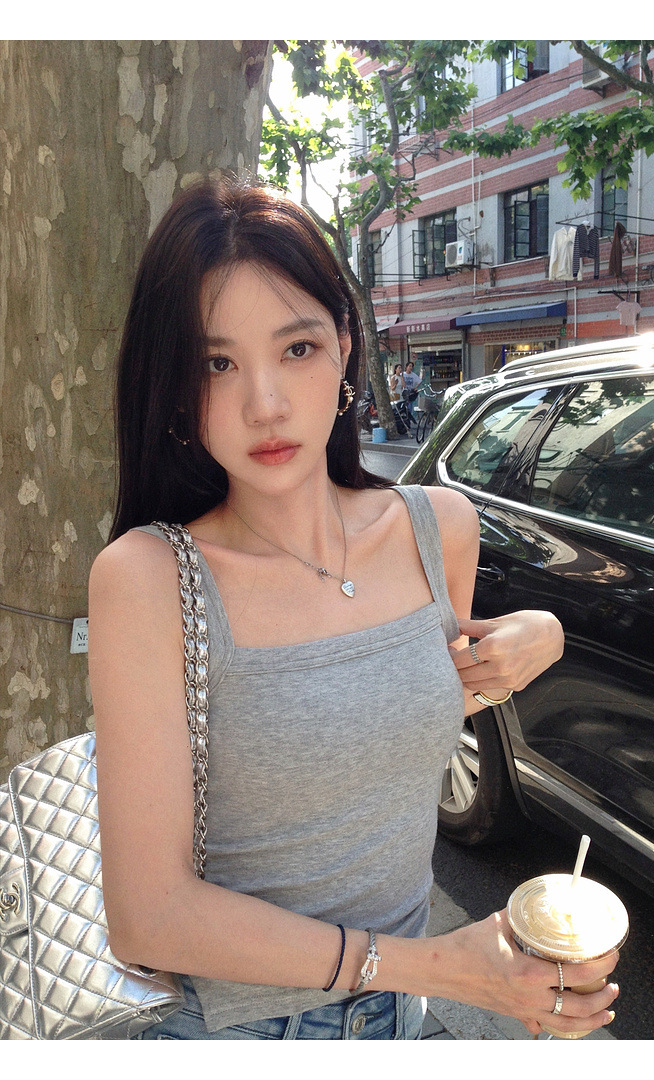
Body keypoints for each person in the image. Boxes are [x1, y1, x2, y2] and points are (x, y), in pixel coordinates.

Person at [88, 173, 619, 1041]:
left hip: (403, 1019)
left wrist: (539, 639)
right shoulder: (149, 579)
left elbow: (380, 721)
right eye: (217, 364)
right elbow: (148, 918)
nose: (264, 403)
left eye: (296, 348)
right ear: (176, 388)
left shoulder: (438, 528)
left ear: (343, 347)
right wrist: (442, 967)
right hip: (235, 1031)